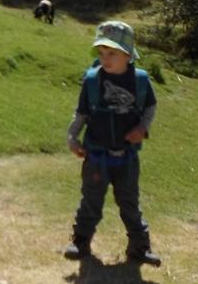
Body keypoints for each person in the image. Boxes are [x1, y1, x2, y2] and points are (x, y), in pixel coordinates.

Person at [63, 20, 162, 267]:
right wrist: (72, 137)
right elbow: (82, 113)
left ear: (128, 55)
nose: (105, 58)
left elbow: (150, 107)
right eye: (101, 52)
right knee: (91, 200)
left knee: (129, 202)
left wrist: (142, 128)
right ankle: (80, 241)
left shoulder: (140, 81)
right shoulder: (92, 81)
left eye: (112, 53)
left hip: (127, 157)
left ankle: (139, 248)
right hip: (95, 156)